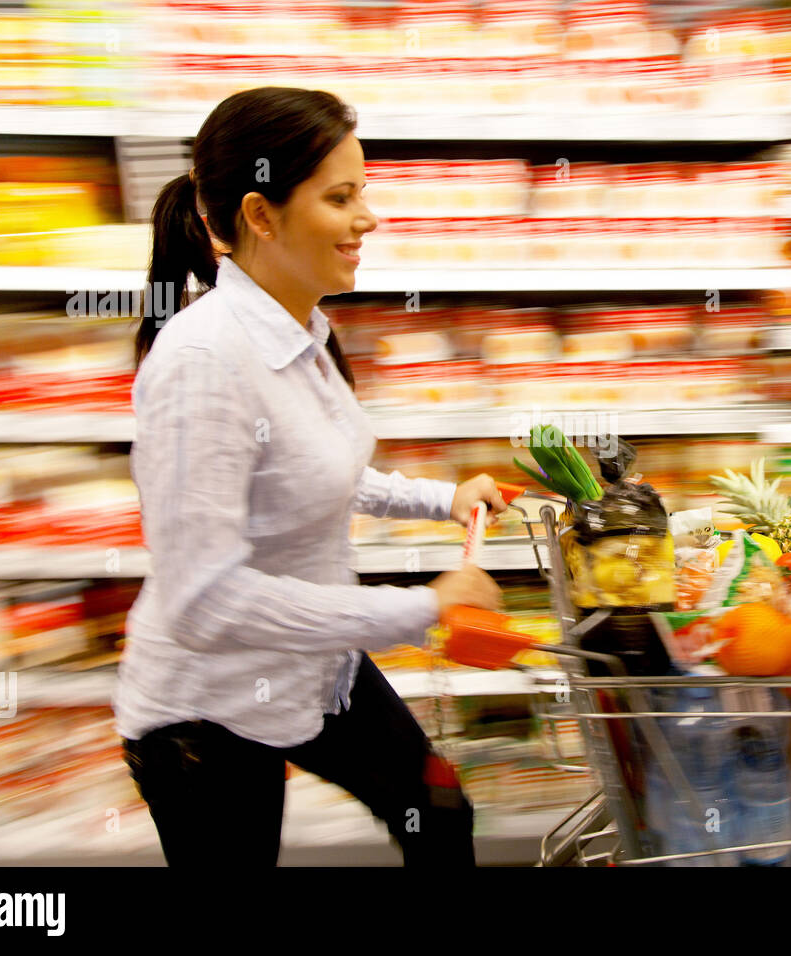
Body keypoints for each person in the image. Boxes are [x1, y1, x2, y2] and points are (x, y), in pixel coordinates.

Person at [115, 86, 506, 867]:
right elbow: (206, 600)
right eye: (340, 197)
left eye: (363, 192)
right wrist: (422, 606)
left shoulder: (303, 327)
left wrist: (442, 500)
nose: (368, 218)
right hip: (208, 711)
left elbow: (317, 472)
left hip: (316, 666)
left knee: (440, 815)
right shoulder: (202, 365)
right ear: (262, 215)